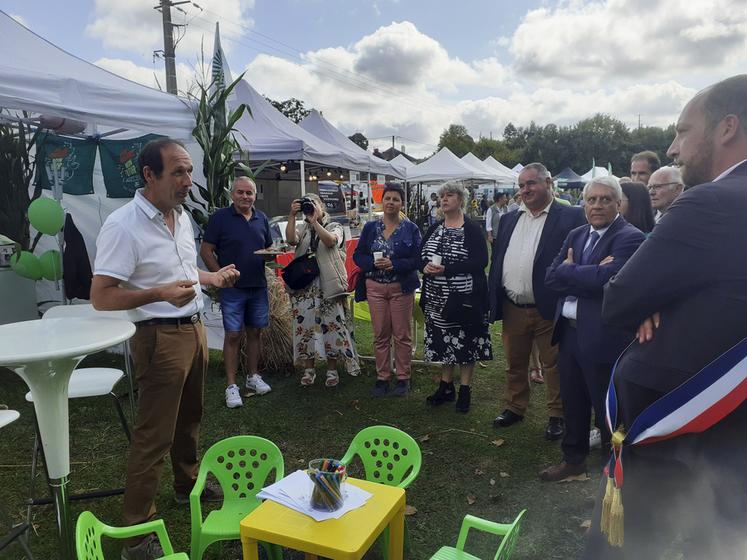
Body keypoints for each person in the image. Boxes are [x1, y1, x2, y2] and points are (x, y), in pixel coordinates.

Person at [584, 75, 747, 558]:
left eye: (682, 131)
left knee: (629, 544)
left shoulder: (710, 201)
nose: (673, 148)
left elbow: (618, 301)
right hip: (730, 422)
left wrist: (653, 298)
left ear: (727, 128)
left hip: (675, 418)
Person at [91, 138, 240, 560]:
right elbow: (101, 295)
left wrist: (210, 279)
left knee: (190, 417)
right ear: (149, 175)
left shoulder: (181, 218)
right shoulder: (124, 225)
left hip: (193, 329)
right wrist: (157, 293)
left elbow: (181, 270)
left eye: (189, 171)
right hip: (158, 336)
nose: (187, 181)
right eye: (178, 172)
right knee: (154, 436)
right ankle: (136, 538)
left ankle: (187, 484)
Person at [540, 176, 645, 481]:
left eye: (605, 199)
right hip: (569, 333)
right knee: (572, 399)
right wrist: (588, 273)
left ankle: (611, 471)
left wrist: (570, 271)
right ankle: (573, 459)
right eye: (591, 199)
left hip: (603, 337)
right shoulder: (576, 233)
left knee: (606, 408)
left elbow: (610, 281)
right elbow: (550, 277)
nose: (597, 205)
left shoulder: (629, 237)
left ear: (618, 203)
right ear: (583, 203)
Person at [489, 162, 586, 439]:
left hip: (550, 307)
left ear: (548, 184)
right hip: (513, 306)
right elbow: (499, 259)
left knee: (554, 364)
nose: (525, 189)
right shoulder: (509, 219)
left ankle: (557, 414)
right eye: (521, 185)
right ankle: (515, 407)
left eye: (531, 183)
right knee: (515, 361)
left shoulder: (571, 216)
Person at [200, 177, 273, 409]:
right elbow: (206, 250)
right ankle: (231, 386)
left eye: (249, 193)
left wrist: (271, 255)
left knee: (255, 333)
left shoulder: (262, 218)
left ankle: (253, 377)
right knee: (233, 335)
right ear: (233, 194)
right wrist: (219, 275)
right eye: (240, 192)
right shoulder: (220, 218)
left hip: (258, 285)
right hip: (233, 289)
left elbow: (269, 249)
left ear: (255, 195)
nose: (245, 197)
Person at [420, 181, 492, 413]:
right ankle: (446, 386)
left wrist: (447, 269)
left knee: (465, 343)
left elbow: (481, 261)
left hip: (464, 300)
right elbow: (420, 256)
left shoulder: (470, 228)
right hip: (436, 300)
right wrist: (425, 267)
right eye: (442, 196)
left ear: (460, 200)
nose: (444, 199)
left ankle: (465, 390)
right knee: (443, 342)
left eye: (449, 195)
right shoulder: (435, 228)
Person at [353, 183, 422, 397]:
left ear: (402, 203)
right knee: (380, 334)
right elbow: (358, 255)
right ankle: (382, 377)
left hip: (401, 288)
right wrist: (373, 264)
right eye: (387, 198)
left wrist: (396, 265)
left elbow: (419, 259)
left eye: (396, 199)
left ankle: (403, 378)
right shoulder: (370, 228)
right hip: (375, 287)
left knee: (402, 335)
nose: (391, 202)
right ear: (381, 201)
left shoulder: (411, 229)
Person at [285, 193, 354, 387]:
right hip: (305, 286)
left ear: (322, 206)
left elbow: (331, 241)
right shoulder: (302, 228)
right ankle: (309, 369)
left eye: (313, 204)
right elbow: (291, 240)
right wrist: (292, 215)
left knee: (331, 325)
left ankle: (332, 370)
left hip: (328, 285)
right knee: (306, 326)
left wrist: (315, 222)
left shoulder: (335, 226)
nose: (310, 208)